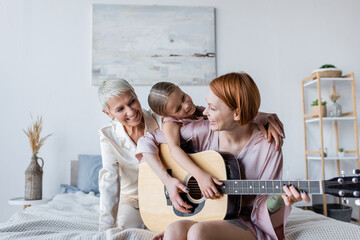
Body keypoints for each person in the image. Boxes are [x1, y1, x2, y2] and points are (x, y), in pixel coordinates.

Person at [136, 72, 310, 240]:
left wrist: (278, 200)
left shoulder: (269, 144)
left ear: (236, 113)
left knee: (198, 233)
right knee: (174, 230)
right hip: (210, 213)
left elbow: (264, 203)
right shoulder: (203, 129)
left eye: (212, 108)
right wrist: (167, 180)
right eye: (207, 105)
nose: (204, 113)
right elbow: (147, 140)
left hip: (245, 221)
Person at [97, 78, 285, 232]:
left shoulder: (183, 120)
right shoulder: (168, 123)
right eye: (120, 109)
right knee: (121, 231)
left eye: (132, 102)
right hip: (134, 197)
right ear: (108, 113)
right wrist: (172, 181)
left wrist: (259, 115)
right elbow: (109, 179)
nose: (130, 111)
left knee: (182, 228)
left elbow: (224, 110)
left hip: (183, 197)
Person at [147, 82, 284, 205]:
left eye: (183, 97)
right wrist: (199, 176)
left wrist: (258, 115)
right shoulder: (171, 124)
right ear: (167, 116)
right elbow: (174, 150)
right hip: (196, 177)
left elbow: (227, 112)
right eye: (178, 109)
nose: (186, 105)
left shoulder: (199, 112)